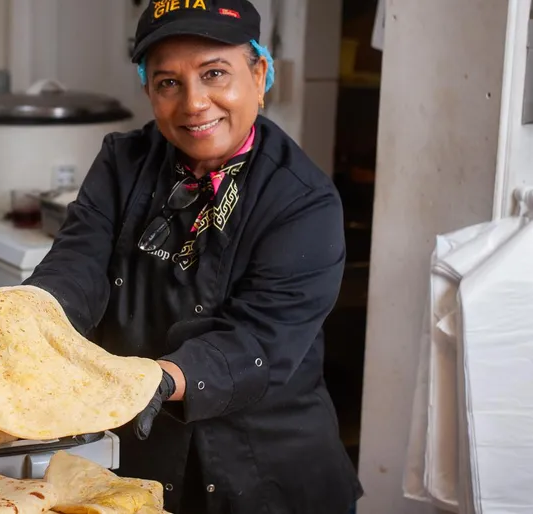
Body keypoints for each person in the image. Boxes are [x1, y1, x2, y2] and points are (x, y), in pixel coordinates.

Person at [22, 0, 363, 512]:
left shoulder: (301, 200)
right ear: (148, 91)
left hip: (262, 472)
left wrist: (160, 379)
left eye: (215, 74)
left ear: (259, 74)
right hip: (139, 455)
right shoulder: (122, 162)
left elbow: (260, 339)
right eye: (168, 83)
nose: (194, 103)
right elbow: (78, 261)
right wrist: (26, 322)